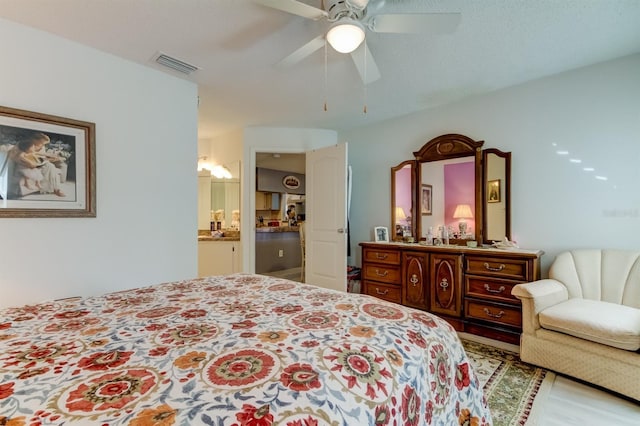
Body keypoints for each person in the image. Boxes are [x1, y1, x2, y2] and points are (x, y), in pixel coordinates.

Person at [9, 133, 65, 197]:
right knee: (32, 171)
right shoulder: (24, 144)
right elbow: (15, 157)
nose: (42, 145)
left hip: (37, 163)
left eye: (43, 143)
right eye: (41, 142)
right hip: (25, 164)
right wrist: (28, 163)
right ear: (35, 140)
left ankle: (57, 189)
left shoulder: (41, 147)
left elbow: (40, 157)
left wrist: (50, 159)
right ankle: (30, 185)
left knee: (51, 166)